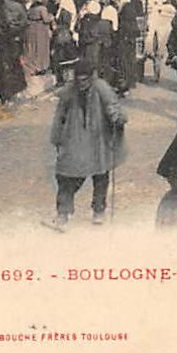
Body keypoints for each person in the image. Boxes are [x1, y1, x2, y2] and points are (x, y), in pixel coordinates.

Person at [48, 58, 126, 230]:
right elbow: (59, 118)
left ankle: (99, 210)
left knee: (100, 176)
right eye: (79, 79)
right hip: (75, 140)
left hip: (98, 140)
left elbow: (115, 108)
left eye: (85, 80)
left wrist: (116, 116)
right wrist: (57, 139)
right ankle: (63, 214)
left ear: (92, 77)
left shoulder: (102, 88)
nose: (81, 83)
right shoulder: (69, 92)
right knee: (67, 177)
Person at [0, 0, 28, 103]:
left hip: (6, 39)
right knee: (15, 64)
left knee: (5, 66)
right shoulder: (20, 7)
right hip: (18, 39)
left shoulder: (4, 7)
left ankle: (6, 94)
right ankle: (16, 91)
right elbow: (24, 22)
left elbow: (4, 23)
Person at [115, 0, 144, 94]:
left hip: (127, 36)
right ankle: (131, 81)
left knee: (126, 59)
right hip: (132, 35)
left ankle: (127, 81)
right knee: (130, 58)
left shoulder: (129, 4)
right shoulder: (131, 2)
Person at [23, 0, 53, 76]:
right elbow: (46, 20)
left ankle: (33, 67)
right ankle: (41, 67)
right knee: (41, 49)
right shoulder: (42, 8)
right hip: (41, 30)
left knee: (33, 48)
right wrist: (51, 17)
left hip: (31, 29)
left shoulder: (31, 8)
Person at [50, 9, 78, 86]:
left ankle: (60, 81)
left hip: (60, 52)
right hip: (69, 51)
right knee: (69, 65)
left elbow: (54, 41)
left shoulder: (57, 30)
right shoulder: (69, 30)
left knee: (58, 65)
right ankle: (70, 78)